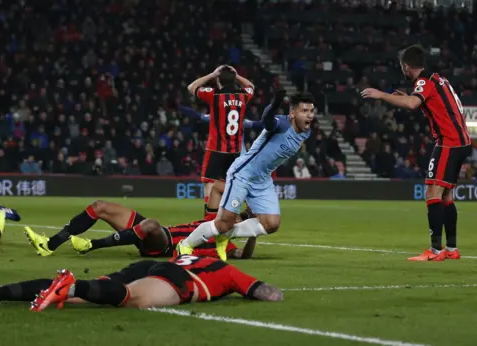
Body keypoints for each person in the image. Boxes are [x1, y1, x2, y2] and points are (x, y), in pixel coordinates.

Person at [361, 44, 470, 261]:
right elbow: (428, 103)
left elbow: (412, 103)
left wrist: (381, 95)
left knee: (432, 194)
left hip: (448, 143)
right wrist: (408, 97)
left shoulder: (424, 81)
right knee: (446, 195)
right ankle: (451, 249)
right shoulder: (439, 79)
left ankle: (435, 251)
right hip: (461, 142)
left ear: (406, 66)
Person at [176, 91, 315, 261]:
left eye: (311, 111)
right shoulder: (281, 124)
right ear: (292, 113)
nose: (309, 115)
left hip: (263, 179)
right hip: (243, 174)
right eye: (304, 111)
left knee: (271, 224)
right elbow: (267, 121)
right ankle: (185, 244)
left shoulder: (305, 132)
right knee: (222, 223)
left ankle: (225, 236)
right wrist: (274, 104)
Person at [0, 255, 283, 310]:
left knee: (71, 296)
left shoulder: (189, 255)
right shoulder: (227, 270)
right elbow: (266, 293)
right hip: (180, 280)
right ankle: (73, 284)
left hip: (155, 265)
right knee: (128, 297)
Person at [22, 200, 257, 259]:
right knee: (100, 207)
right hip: (157, 231)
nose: (229, 211)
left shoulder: (228, 241)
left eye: (236, 213)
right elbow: (217, 189)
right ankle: (49, 245)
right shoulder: (213, 219)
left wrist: (253, 231)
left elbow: (243, 255)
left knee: (151, 224)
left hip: (164, 246)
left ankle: (91, 245)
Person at [187, 65, 254, 221]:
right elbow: (251, 86)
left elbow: (192, 87)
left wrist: (212, 73)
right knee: (233, 183)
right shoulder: (243, 96)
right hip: (235, 150)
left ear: (218, 80)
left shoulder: (214, 95)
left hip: (216, 149)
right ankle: (248, 209)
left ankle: (209, 219)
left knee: (209, 183)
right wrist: (237, 75)